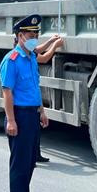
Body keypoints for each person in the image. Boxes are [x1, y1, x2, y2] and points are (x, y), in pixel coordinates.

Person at [0, 14, 49, 192]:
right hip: (19, 115)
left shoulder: (30, 58)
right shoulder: (11, 60)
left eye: (37, 34)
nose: (34, 37)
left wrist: (42, 110)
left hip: (32, 114)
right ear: (20, 36)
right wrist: (11, 121)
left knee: (30, 161)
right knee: (20, 163)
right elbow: (7, 93)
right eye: (31, 34)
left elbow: (34, 88)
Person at [32, 34, 64, 163]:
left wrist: (50, 41)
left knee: (35, 129)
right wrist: (55, 46)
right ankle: (31, 158)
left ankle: (36, 154)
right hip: (26, 101)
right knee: (30, 131)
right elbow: (44, 58)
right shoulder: (24, 56)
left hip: (33, 99)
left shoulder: (28, 51)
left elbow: (38, 50)